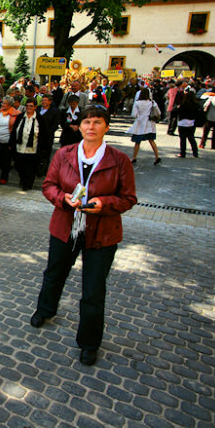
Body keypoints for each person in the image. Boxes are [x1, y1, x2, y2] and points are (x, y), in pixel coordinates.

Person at [30, 106, 137, 366]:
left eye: (97, 122)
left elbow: (128, 198)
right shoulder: (65, 154)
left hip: (102, 232)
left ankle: (89, 342)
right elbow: (48, 186)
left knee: (93, 288)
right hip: (66, 225)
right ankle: (45, 309)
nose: (91, 127)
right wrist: (62, 198)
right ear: (79, 126)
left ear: (106, 127)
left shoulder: (119, 160)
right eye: (86, 122)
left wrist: (104, 203)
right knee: (54, 272)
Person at [10, 100, 45, 190]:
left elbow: (45, 135)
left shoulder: (40, 119)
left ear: (35, 107)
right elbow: (14, 131)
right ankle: (23, 179)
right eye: (27, 106)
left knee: (30, 168)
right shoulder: (21, 117)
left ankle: (28, 184)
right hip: (20, 147)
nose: (29, 108)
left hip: (33, 149)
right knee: (19, 166)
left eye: (31, 106)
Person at [127, 90, 161, 165]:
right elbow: (158, 112)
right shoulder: (152, 103)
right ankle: (157, 156)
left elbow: (134, 114)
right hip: (150, 124)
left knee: (137, 142)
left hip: (140, 124)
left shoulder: (137, 103)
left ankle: (134, 157)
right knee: (151, 140)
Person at [0, 97, 19, 184]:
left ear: (9, 104)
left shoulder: (16, 114)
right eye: (2, 103)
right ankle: (4, 170)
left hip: (8, 140)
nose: (2, 105)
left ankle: (4, 176)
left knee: (6, 160)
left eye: (4, 103)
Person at [37, 94, 61, 176]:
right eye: (43, 100)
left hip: (47, 137)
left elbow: (55, 124)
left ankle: (43, 170)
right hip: (37, 135)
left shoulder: (54, 111)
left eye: (45, 100)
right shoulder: (38, 109)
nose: (43, 102)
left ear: (50, 102)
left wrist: (50, 132)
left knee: (45, 155)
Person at [176, 89, 199, 158]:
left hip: (182, 122)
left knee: (182, 139)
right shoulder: (196, 104)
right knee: (191, 138)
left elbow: (178, 112)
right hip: (191, 122)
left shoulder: (183, 104)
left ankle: (183, 153)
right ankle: (195, 152)